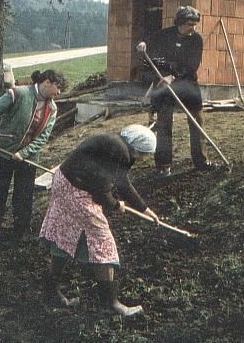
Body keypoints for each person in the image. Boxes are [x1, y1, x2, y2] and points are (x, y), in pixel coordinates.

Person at [39, 124, 159, 317]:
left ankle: (50, 293)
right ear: (138, 149)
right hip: (77, 191)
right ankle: (110, 304)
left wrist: (145, 209)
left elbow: (121, 181)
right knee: (103, 241)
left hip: (64, 183)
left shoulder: (116, 144)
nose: (143, 159)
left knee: (64, 234)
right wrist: (114, 204)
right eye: (144, 155)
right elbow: (101, 188)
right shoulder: (119, 152)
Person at [0, 69, 67, 250]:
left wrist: (24, 154)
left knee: (24, 194)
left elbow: (42, 137)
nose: (59, 92)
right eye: (58, 87)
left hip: (28, 158)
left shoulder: (52, 109)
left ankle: (20, 232)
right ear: (47, 82)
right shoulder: (19, 93)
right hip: (4, 151)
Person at [136, 6, 214, 177]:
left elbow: (191, 66)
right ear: (179, 23)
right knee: (164, 124)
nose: (192, 27)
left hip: (187, 83)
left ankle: (201, 161)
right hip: (165, 86)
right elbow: (148, 40)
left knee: (197, 121)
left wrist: (173, 76)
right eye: (189, 24)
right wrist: (143, 44)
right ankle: (164, 165)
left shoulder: (196, 40)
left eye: (195, 24)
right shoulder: (166, 34)